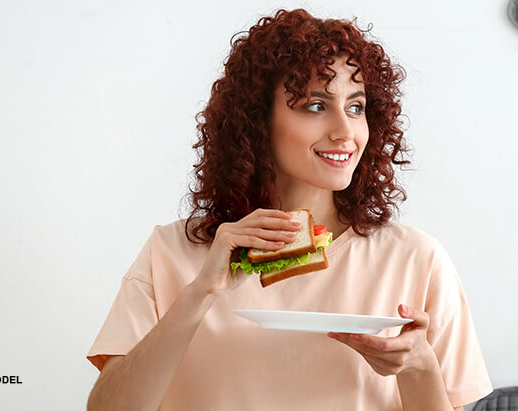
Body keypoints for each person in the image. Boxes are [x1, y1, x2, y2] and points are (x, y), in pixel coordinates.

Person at [86, 8, 491, 411]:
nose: (345, 132)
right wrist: (199, 295)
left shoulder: (416, 260)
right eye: (316, 105)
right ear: (258, 120)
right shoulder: (170, 252)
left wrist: (418, 367)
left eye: (355, 107)